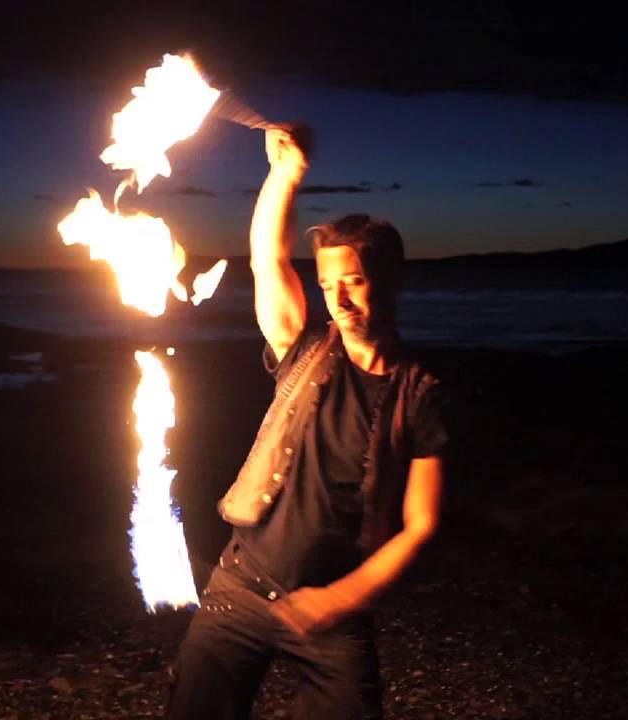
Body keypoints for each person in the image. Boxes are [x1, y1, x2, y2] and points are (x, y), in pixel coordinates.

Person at [165, 127, 448, 720]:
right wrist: (286, 176)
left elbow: (421, 526)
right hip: (239, 590)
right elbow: (267, 261)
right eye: (326, 285)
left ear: (390, 281)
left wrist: (342, 598)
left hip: (333, 609)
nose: (338, 302)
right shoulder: (304, 351)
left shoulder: (419, 393)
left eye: (354, 282)